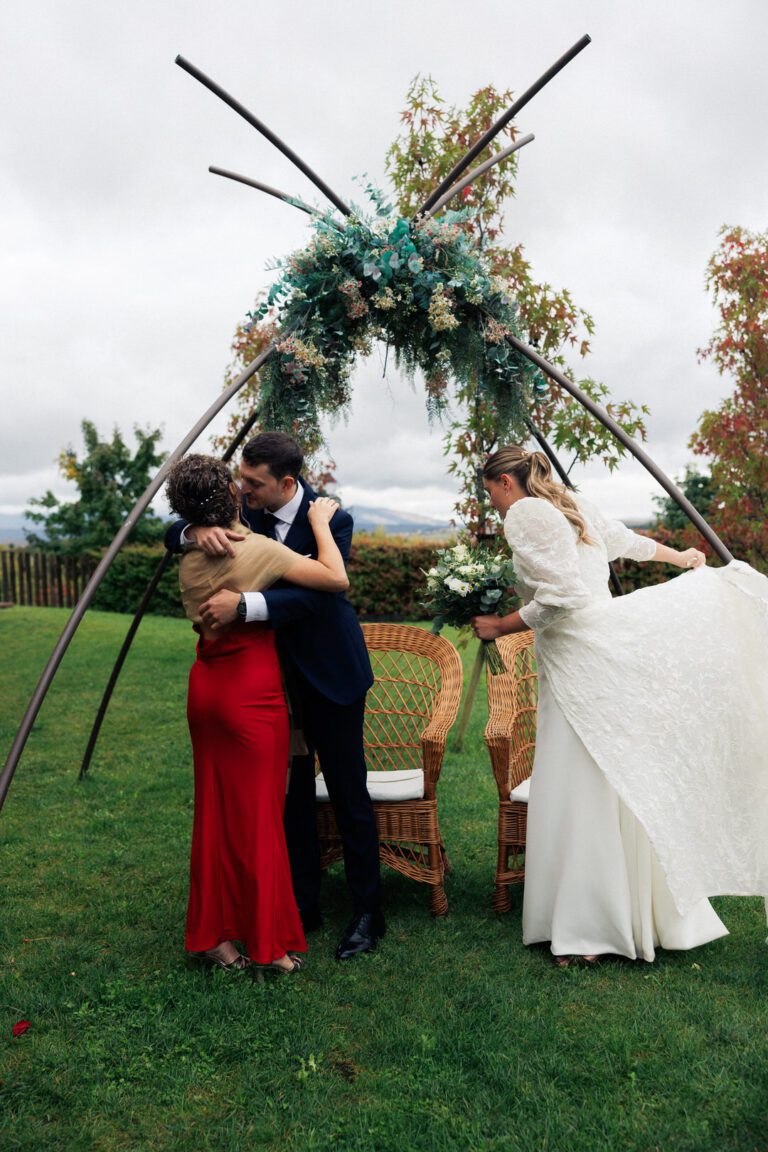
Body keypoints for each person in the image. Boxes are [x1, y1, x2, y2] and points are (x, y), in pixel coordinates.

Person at [472, 445, 768, 965]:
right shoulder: (569, 502)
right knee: (616, 774)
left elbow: (561, 596)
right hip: (602, 650)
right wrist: (680, 557)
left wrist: (501, 625)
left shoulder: (524, 513)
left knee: (582, 779)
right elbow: (625, 542)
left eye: (489, 492)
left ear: (503, 484)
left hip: (577, 656)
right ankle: (635, 911)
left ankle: (591, 926)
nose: (492, 503)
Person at [165, 433, 384, 961]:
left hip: (329, 677)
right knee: (289, 802)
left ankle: (366, 913)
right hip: (267, 686)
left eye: (254, 482)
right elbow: (173, 532)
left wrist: (246, 607)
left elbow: (316, 596)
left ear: (287, 482)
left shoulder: (330, 520)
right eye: (240, 480)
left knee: (350, 794)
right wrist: (193, 530)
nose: (243, 490)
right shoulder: (241, 509)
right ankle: (299, 904)